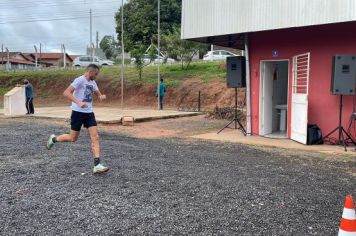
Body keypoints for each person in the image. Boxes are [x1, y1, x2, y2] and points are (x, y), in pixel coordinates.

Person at [46, 64, 109, 174]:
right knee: (72, 138)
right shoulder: (80, 80)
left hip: (89, 113)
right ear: (90, 72)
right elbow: (66, 92)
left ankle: (97, 165)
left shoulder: (93, 82)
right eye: (96, 74)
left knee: (95, 137)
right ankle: (54, 139)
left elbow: (98, 94)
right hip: (77, 113)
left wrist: (101, 96)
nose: (97, 76)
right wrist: (78, 102)